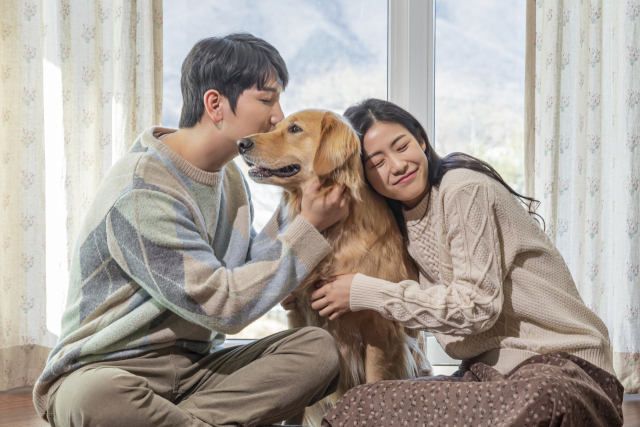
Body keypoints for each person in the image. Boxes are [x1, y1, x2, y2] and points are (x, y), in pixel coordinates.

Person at [33, 33, 349, 427]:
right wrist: (310, 227)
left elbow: (248, 263)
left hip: (197, 370)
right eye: (267, 99)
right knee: (98, 397)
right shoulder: (142, 189)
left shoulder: (231, 178)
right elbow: (224, 306)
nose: (277, 116)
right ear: (215, 104)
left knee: (318, 350)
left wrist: (301, 210)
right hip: (110, 370)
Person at [307, 98, 624, 426]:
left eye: (401, 147)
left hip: (565, 369)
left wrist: (364, 291)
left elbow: (476, 308)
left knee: (539, 400)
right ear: (365, 176)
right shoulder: (396, 222)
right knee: (362, 403)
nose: (397, 165)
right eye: (377, 162)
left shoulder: (463, 189)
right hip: (488, 377)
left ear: (421, 140)